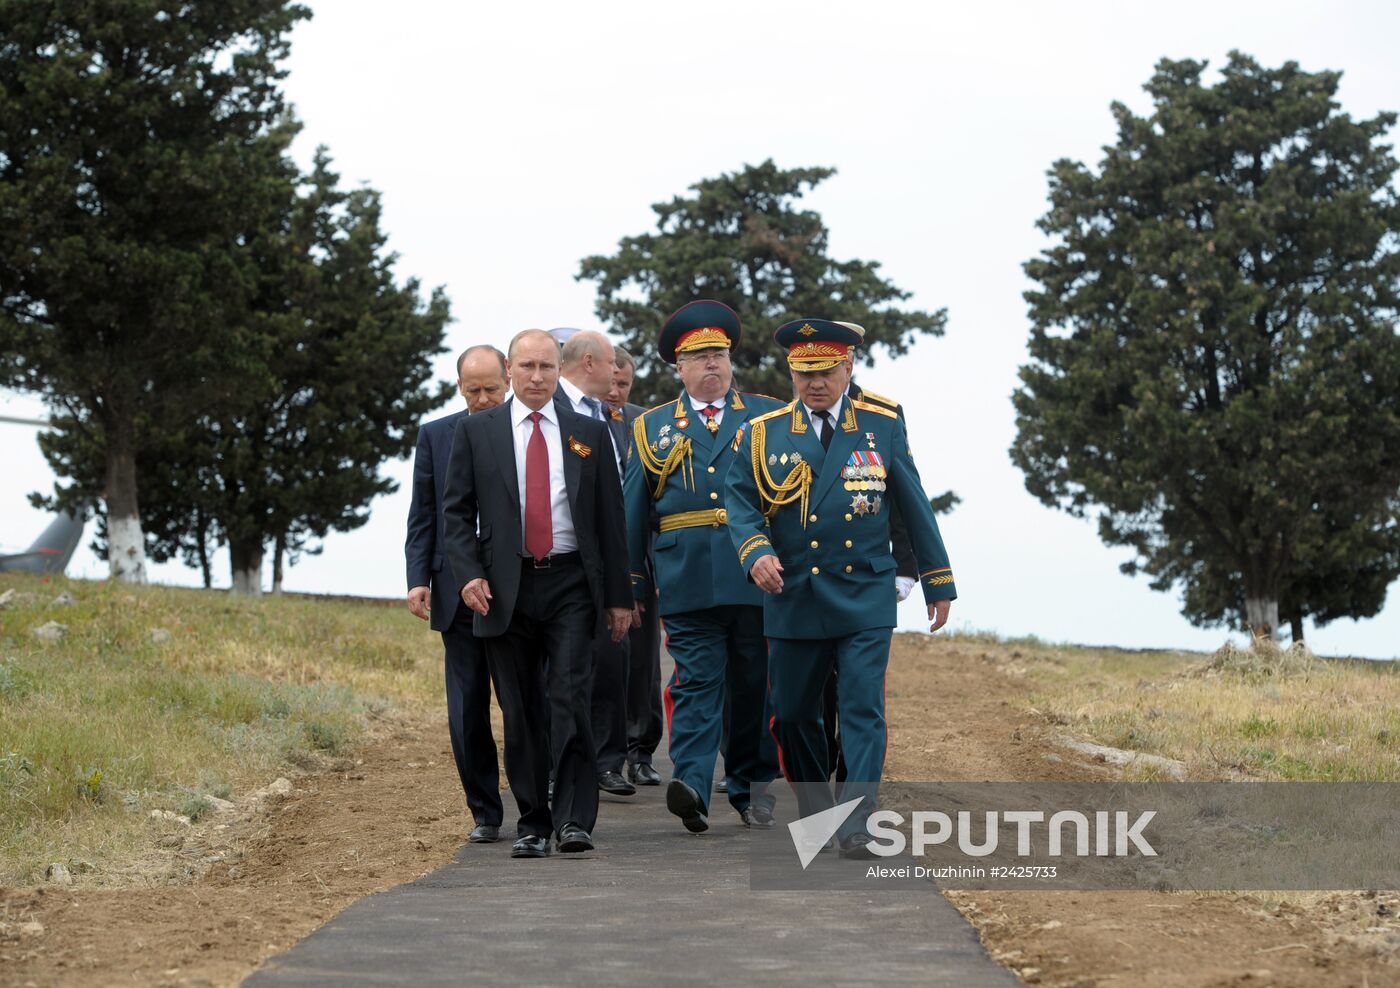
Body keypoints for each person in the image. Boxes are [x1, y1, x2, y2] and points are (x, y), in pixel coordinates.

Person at [725, 318, 957, 859]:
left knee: (861, 707)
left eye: (826, 372)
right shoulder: (764, 432)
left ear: (848, 367)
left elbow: (912, 500)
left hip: (865, 590)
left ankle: (857, 823)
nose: (815, 384)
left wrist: (936, 578)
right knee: (794, 714)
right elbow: (740, 504)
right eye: (804, 374)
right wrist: (754, 551)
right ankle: (818, 813)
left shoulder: (881, 422)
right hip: (794, 593)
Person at [443, 329, 632, 859]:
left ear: (558, 370)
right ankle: (532, 820)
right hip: (505, 588)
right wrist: (468, 574)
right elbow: (455, 513)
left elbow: (610, 522)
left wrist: (619, 597)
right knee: (521, 709)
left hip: (572, 583)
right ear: (509, 370)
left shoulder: (587, 433)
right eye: (526, 366)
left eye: (546, 367)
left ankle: (574, 820)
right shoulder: (477, 433)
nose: (536, 377)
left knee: (570, 699)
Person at [623, 299, 782, 833]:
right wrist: (632, 582)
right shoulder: (652, 429)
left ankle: (751, 788)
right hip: (685, 576)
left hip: (757, 578)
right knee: (695, 683)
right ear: (679, 368)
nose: (712, 365)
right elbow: (633, 511)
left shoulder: (767, 417)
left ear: (731, 361)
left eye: (719, 354)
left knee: (754, 685)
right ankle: (690, 785)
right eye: (700, 357)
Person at [404, 344, 509, 844]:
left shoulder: (530, 429)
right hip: (454, 592)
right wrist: (417, 578)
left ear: (508, 380)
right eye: (474, 391)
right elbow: (422, 513)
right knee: (466, 708)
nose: (484, 398)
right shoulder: (435, 435)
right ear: (459, 388)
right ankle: (485, 813)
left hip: (517, 591)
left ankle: (541, 792)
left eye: (492, 388)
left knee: (525, 702)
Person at [557, 330, 636, 797]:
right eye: (611, 364)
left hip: (605, 562)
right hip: (560, 563)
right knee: (562, 675)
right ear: (590, 362)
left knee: (611, 664)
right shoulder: (551, 410)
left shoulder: (608, 417)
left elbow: (613, 507)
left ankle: (608, 760)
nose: (616, 375)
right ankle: (562, 764)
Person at [608, 348, 664, 786]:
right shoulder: (577, 422)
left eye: (623, 384)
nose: (615, 392)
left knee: (644, 665)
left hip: (641, 561)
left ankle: (641, 750)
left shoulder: (646, 425)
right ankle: (605, 754)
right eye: (610, 382)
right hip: (595, 562)